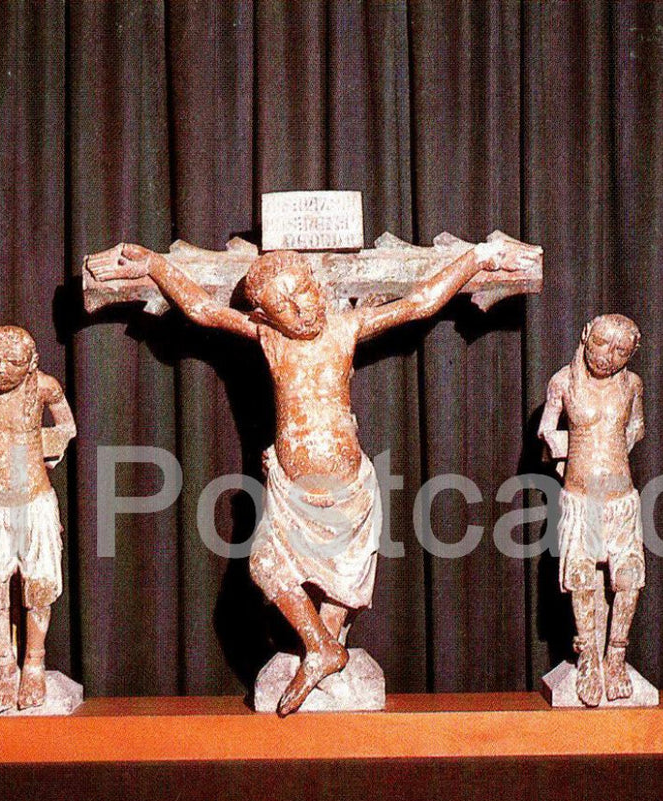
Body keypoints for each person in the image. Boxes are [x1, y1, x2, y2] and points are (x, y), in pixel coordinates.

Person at [89, 237, 527, 714]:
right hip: (290, 493)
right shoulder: (270, 339)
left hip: (348, 491)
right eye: (285, 306)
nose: (302, 309)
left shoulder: (345, 327)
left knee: (344, 582)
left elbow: (420, 303)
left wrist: (480, 258)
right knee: (264, 567)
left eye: (304, 291)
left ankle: (324, 651)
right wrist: (154, 264)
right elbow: (202, 309)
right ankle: (322, 649)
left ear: (317, 284)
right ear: (264, 316)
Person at [0, 325, 77, 713]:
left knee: (39, 585)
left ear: (31, 363)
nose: (0, 369)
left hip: (34, 498)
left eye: (12, 361)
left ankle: (34, 664)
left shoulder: (44, 387)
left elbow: (67, 426)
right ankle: (5, 665)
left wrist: (48, 448)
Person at [538, 314, 646, 706]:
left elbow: (636, 428)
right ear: (585, 335)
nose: (607, 356)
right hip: (581, 499)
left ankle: (615, 656)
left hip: (619, 498)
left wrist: (610, 453)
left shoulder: (631, 385)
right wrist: (575, 452)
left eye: (620, 350)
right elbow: (547, 430)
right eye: (600, 343)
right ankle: (587, 657)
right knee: (581, 577)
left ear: (631, 354)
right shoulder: (563, 382)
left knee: (628, 578)